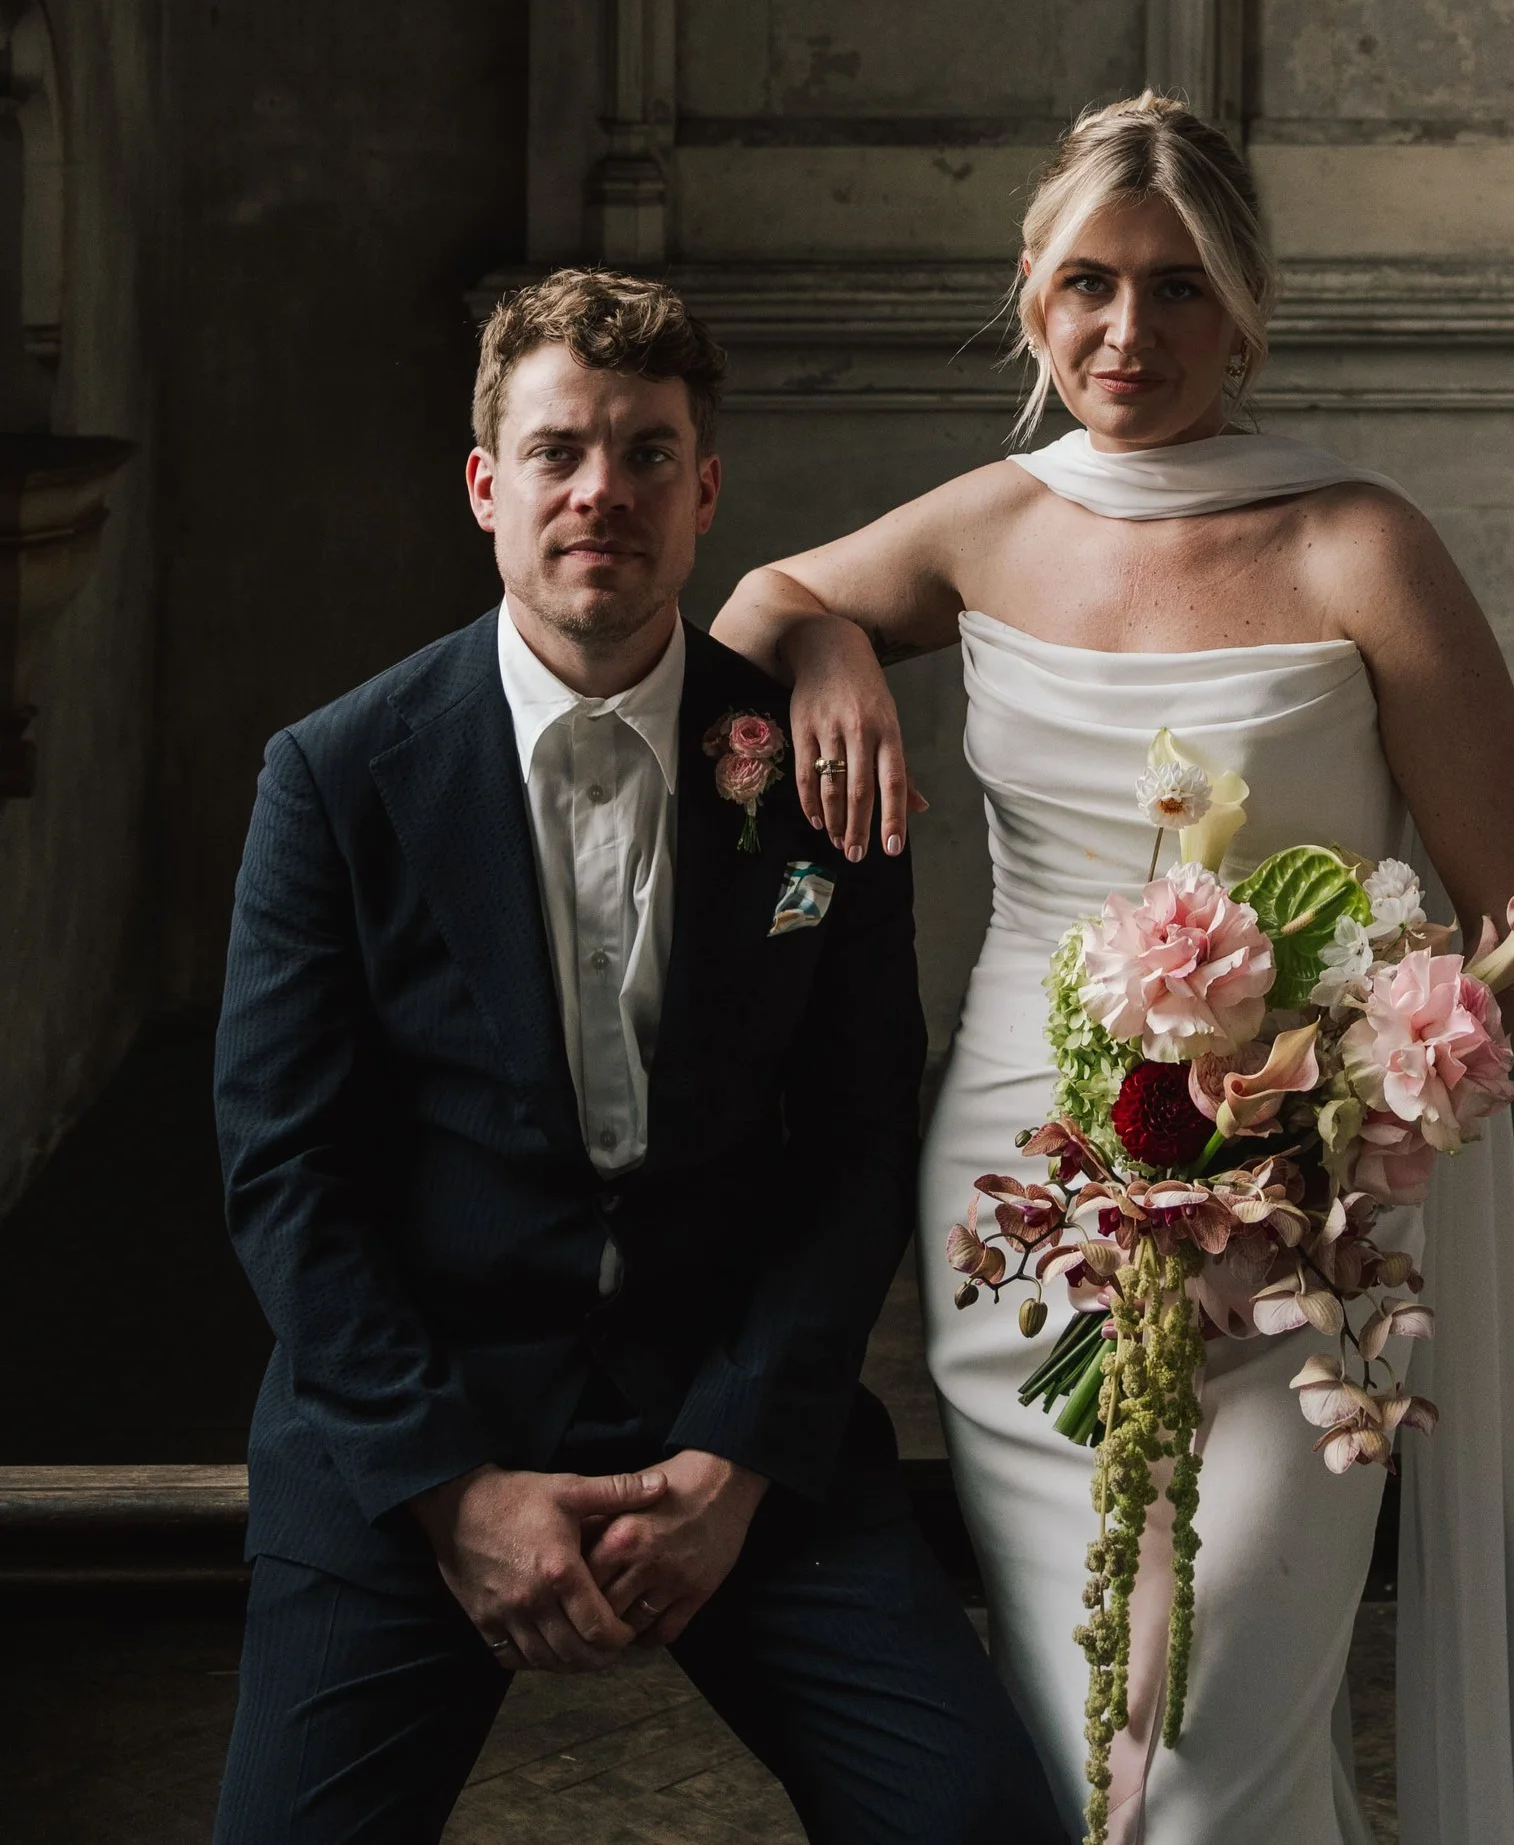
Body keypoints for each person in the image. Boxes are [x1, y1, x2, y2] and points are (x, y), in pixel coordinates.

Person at [712, 93, 1514, 1845]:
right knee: (1079, 1737)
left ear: (1247, 310)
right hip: (1027, 1196)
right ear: (1033, 299)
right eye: (1091, 285)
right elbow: (755, 602)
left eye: (1181, 289)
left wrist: (1330, 1138)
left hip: (1303, 1228)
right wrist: (827, 646)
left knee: (1204, 1739)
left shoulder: (1361, 544)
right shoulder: (992, 524)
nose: (1132, 333)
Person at [209, 268, 1065, 1845]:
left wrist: (737, 1454)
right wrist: (454, 1491)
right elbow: (284, 1170)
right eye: (558, 451)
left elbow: (864, 1139)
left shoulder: (812, 765)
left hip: (727, 1415)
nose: (603, 488)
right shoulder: (334, 778)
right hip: (416, 1434)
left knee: (977, 1822)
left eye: (648, 452)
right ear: (486, 485)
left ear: (706, 486)